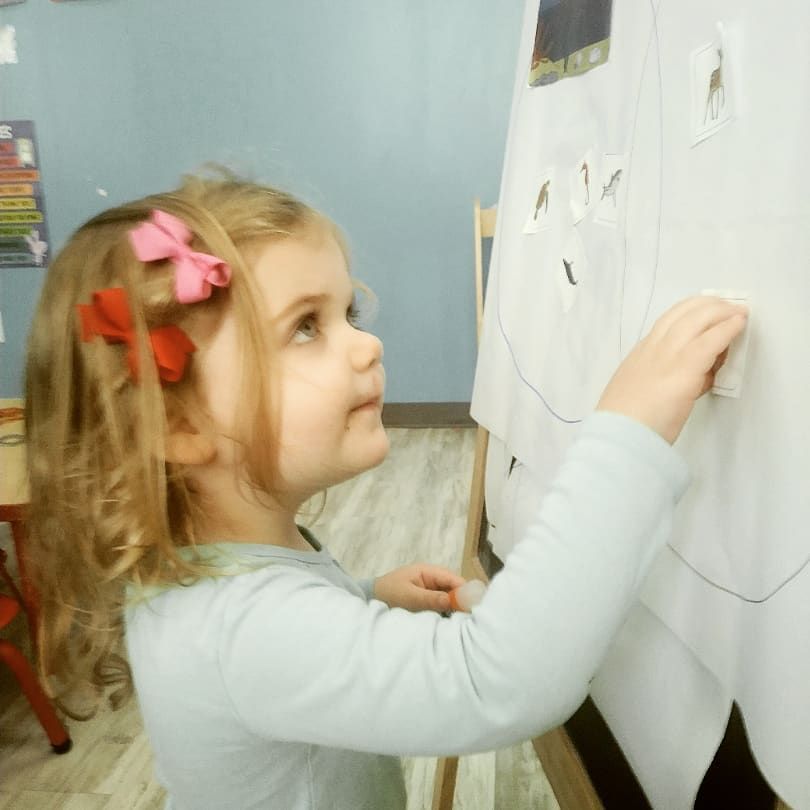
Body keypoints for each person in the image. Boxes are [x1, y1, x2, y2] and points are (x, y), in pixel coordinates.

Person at [23, 173, 747, 810]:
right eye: (305, 328)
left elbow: (278, 648)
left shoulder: (216, 572)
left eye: (349, 316)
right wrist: (628, 431)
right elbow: (501, 682)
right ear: (180, 427)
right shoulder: (237, 629)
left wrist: (362, 599)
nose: (366, 344)